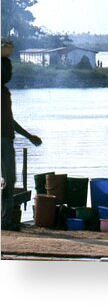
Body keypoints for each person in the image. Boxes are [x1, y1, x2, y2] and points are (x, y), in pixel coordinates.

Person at [2, 43, 42, 231]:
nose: (8, 73)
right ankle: (5, 220)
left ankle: (5, 218)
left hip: (6, 139)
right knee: (9, 181)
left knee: (8, 181)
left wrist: (28, 136)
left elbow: (10, 120)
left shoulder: (4, 92)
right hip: (3, 141)